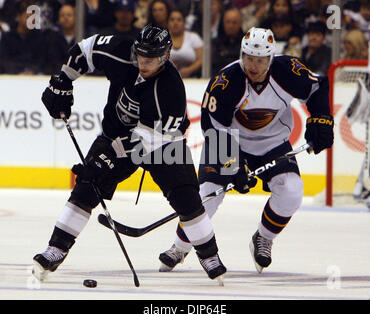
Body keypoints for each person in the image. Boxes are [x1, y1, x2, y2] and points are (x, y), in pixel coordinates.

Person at [32, 24, 227, 282]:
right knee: (87, 186)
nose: (144, 62)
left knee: (187, 198)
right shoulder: (121, 50)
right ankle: (55, 249)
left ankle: (209, 254)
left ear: (166, 56)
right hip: (115, 132)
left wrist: (106, 159)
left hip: (164, 145)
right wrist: (63, 81)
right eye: (140, 55)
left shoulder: (170, 89)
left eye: (152, 58)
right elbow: (84, 50)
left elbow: (145, 142)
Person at [159, 27, 334, 274]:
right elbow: (213, 126)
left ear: (270, 58)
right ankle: (180, 246)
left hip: (272, 144)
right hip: (229, 143)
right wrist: (233, 162)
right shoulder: (226, 81)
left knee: (292, 191)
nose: (253, 65)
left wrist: (322, 118)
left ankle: (263, 238)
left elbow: (318, 87)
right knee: (207, 195)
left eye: (260, 60)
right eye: (248, 57)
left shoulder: (288, 71)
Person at [168, 9, 203, 78]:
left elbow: (201, 59)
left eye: (179, 20)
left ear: (184, 23)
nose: (175, 23)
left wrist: (189, 70)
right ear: (168, 23)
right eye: (172, 20)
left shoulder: (194, 37)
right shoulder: (162, 39)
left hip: (192, 77)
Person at [211, 7, 244, 76]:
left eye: (234, 22)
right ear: (223, 23)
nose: (231, 26)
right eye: (228, 22)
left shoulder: (246, 43)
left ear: (240, 23)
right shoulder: (215, 43)